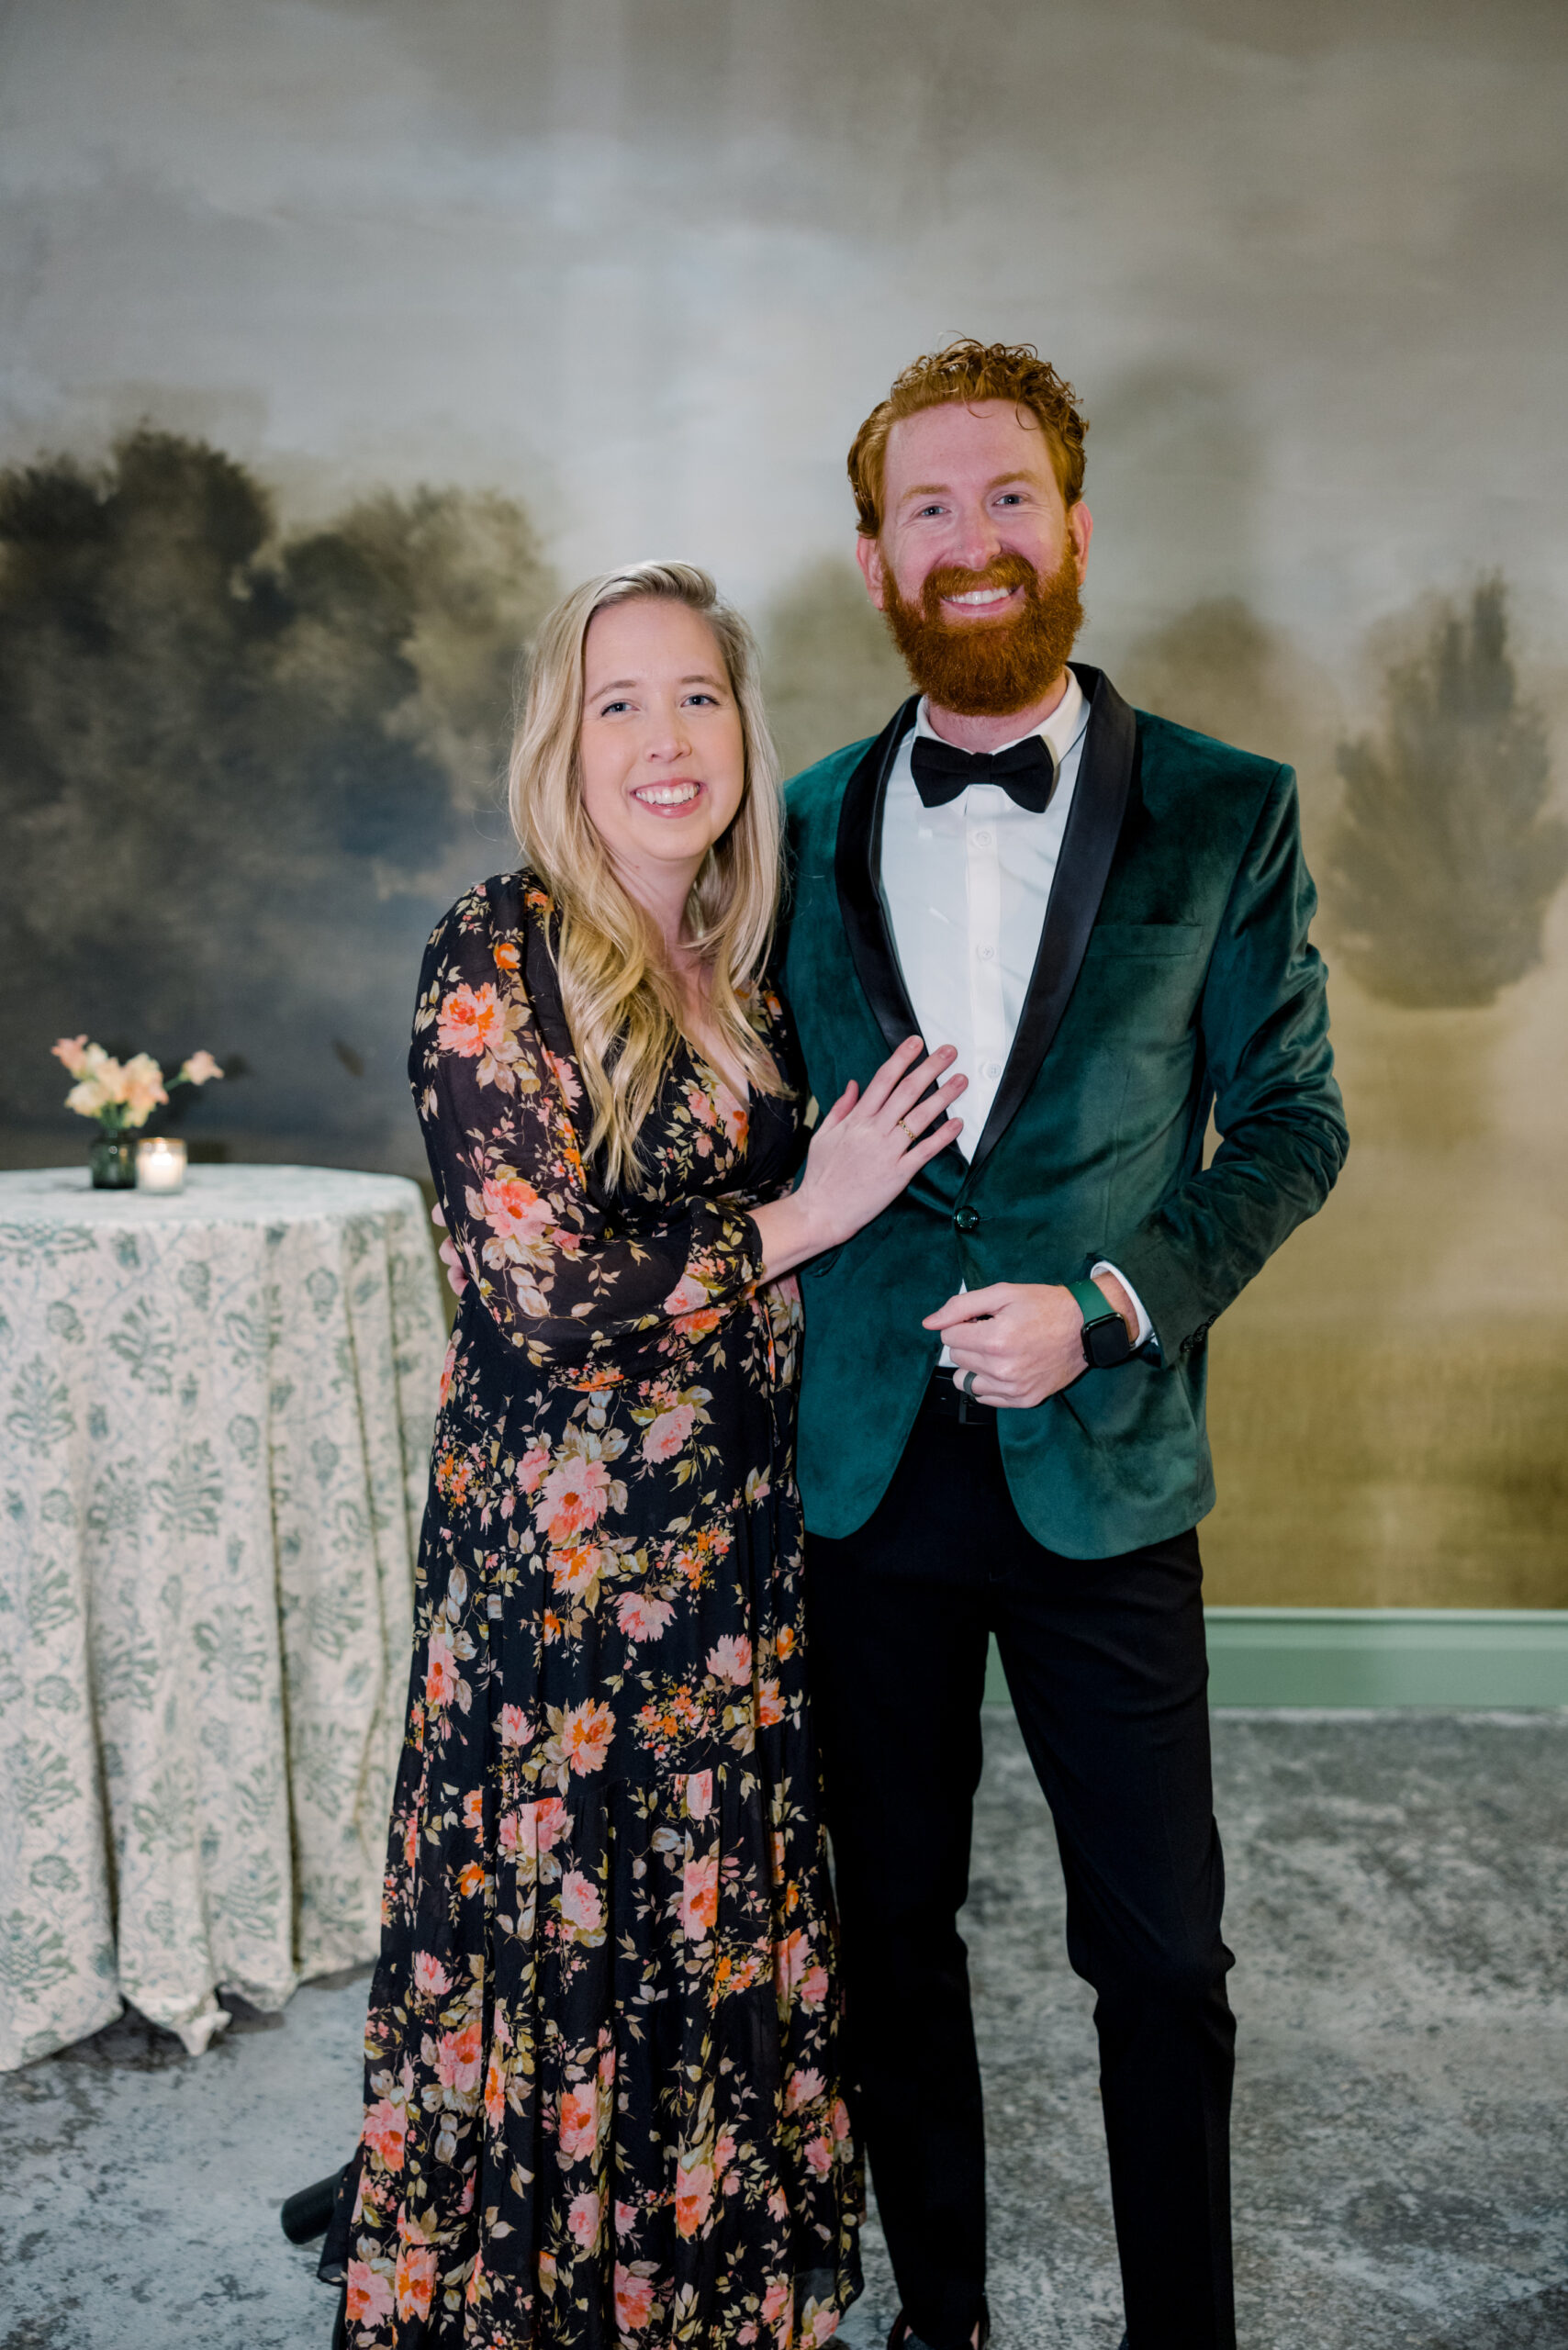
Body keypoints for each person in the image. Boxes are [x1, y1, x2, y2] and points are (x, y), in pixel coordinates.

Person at [319, 560, 969, 2349]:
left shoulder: (742, 966)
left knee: (712, 1926)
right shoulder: (500, 944)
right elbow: (527, 1280)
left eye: (697, 697)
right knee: (583, 1936)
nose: (665, 737)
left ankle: (701, 2282)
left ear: (740, 734)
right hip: (573, 1587)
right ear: (564, 740)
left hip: (736, 1559)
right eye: (620, 702)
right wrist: (805, 1212)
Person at [778, 342, 1350, 2350]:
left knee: (1158, 1956)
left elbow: (1290, 1124)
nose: (970, 539)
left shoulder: (1225, 811)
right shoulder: (802, 819)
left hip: (1099, 1457)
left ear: (1075, 524)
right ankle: (942, 2318)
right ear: (872, 560)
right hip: (855, 1470)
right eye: (924, 507)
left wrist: (1106, 1304)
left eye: (1005, 495)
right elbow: (769, 1137)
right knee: (890, 1932)